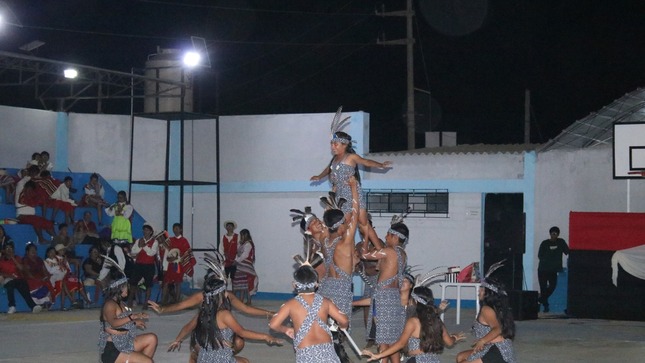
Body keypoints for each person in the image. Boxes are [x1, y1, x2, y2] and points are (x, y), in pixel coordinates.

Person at [310, 107, 392, 244]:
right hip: (340, 194)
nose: (333, 147)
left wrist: (381, 165)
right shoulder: (334, 160)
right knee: (344, 224)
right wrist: (319, 176)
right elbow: (328, 170)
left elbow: (366, 161)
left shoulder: (351, 157)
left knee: (362, 222)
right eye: (332, 144)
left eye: (335, 144)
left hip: (352, 192)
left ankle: (378, 248)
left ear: (344, 145)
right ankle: (345, 249)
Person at [169, 271, 282, 363]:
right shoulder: (224, 314)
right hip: (220, 359)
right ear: (220, 296)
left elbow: (187, 327)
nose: (227, 294)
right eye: (225, 292)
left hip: (204, 358)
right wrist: (266, 337)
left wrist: (177, 340)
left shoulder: (203, 312)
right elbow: (242, 332)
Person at [362, 286, 465, 362]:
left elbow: (400, 344)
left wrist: (379, 355)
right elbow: (449, 342)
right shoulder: (437, 320)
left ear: (415, 301)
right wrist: (455, 338)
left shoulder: (414, 322)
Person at [270, 264, 349, 363]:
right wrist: (342, 327)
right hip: (327, 350)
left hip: (305, 352)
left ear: (294, 285)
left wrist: (286, 329)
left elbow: (273, 324)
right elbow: (344, 320)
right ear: (316, 284)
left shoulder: (290, 304)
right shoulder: (325, 302)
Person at [360, 213, 410, 363]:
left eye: (388, 235)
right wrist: (367, 228)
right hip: (394, 296)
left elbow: (365, 255)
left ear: (395, 237)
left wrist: (365, 240)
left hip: (383, 298)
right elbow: (380, 246)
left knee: (383, 339)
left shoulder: (389, 252)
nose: (386, 237)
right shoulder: (402, 254)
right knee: (393, 339)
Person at [99, 264, 158, 363]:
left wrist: (135, 321)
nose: (128, 289)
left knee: (152, 338)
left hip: (125, 342)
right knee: (147, 362)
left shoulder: (121, 303)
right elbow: (114, 322)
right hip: (114, 349)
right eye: (126, 286)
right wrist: (132, 317)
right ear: (119, 288)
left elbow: (123, 322)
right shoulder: (110, 304)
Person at [456, 277, 517, 363]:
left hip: (497, 351)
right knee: (460, 356)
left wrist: (482, 340)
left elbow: (498, 329)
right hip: (490, 347)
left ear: (488, 293)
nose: (478, 291)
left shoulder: (486, 310)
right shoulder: (493, 307)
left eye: (481, 289)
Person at [0, 242, 43, 314]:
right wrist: (8, 276)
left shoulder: (17, 258)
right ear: (4, 250)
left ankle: (33, 306)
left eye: (11, 248)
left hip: (18, 279)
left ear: (13, 250)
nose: (9, 249)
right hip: (7, 279)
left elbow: (21, 268)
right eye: (7, 248)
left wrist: (13, 258)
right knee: (10, 284)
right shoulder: (1, 261)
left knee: (23, 283)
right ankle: (12, 306)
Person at [44, 245, 91, 310]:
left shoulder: (59, 259)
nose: (53, 254)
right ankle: (73, 301)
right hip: (55, 278)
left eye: (53, 252)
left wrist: (70, 271)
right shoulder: (48, 261)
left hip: (63, 276)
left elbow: (67, 268)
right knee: (66, 283)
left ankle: (81, 301)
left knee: (75, 283)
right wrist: (61, 266)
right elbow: (51, 271)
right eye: (51, 252)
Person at [160, 223, 195, 304]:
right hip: (170, 265)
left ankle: (177, 302)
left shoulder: (184, 241)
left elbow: (187, 254)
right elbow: (165, 252)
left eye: (177, 228)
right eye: (174, 228)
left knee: (178, 283)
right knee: (166, 282)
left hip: (179, 265)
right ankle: (163, 302)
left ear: (181, 230)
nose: (175, 230)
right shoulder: (170, 240)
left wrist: (178, 258)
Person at [537, 226, 570, 313]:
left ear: (558, 234)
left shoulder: (561, 242)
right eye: (552, 234)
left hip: (553, 270)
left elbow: (567, 251)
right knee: (543, 288)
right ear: (550, 234)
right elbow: (540, 255)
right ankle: (545, 306)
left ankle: (540, 300)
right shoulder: (544, 243)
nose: (554, 235)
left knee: (552, 286)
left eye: (555, 234)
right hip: (543, 269)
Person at [128, 222, 159, 309]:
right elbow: (133, 251)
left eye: (147, 230)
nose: (145, 232)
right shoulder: (138, 240)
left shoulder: (155, 242)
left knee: (148, 285)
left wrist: (143, 246)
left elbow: (151, 253)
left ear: (151, 232)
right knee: (133, 283)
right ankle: (130, 301)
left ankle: (146, 303)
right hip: (138, 264)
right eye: (144, 230)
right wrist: (140, 246)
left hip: (149, 265)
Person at [22, 243, 54, 307]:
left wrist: (47, 276)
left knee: (48, 282)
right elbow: (28, 273)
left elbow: (44, 270)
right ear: (27, 252)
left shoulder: (39, 259)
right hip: (30, 279)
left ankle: (43, 301)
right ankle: (43, 300)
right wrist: (38, 279)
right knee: (38, 284)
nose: (34, 251)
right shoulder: (25, 260)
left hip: (41, 278)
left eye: (35, 250)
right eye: (32, 250)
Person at [232, 228, 258, 304]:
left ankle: (245, 300)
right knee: (243, 283)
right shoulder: (243, 244)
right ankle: (242, 300)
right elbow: (238, 253)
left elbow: (245, 255)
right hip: (242, 265)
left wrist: (236, 261)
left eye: (242, 235)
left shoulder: (248, 244)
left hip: (244, 265)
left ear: (245, 235)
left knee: (244, 283)